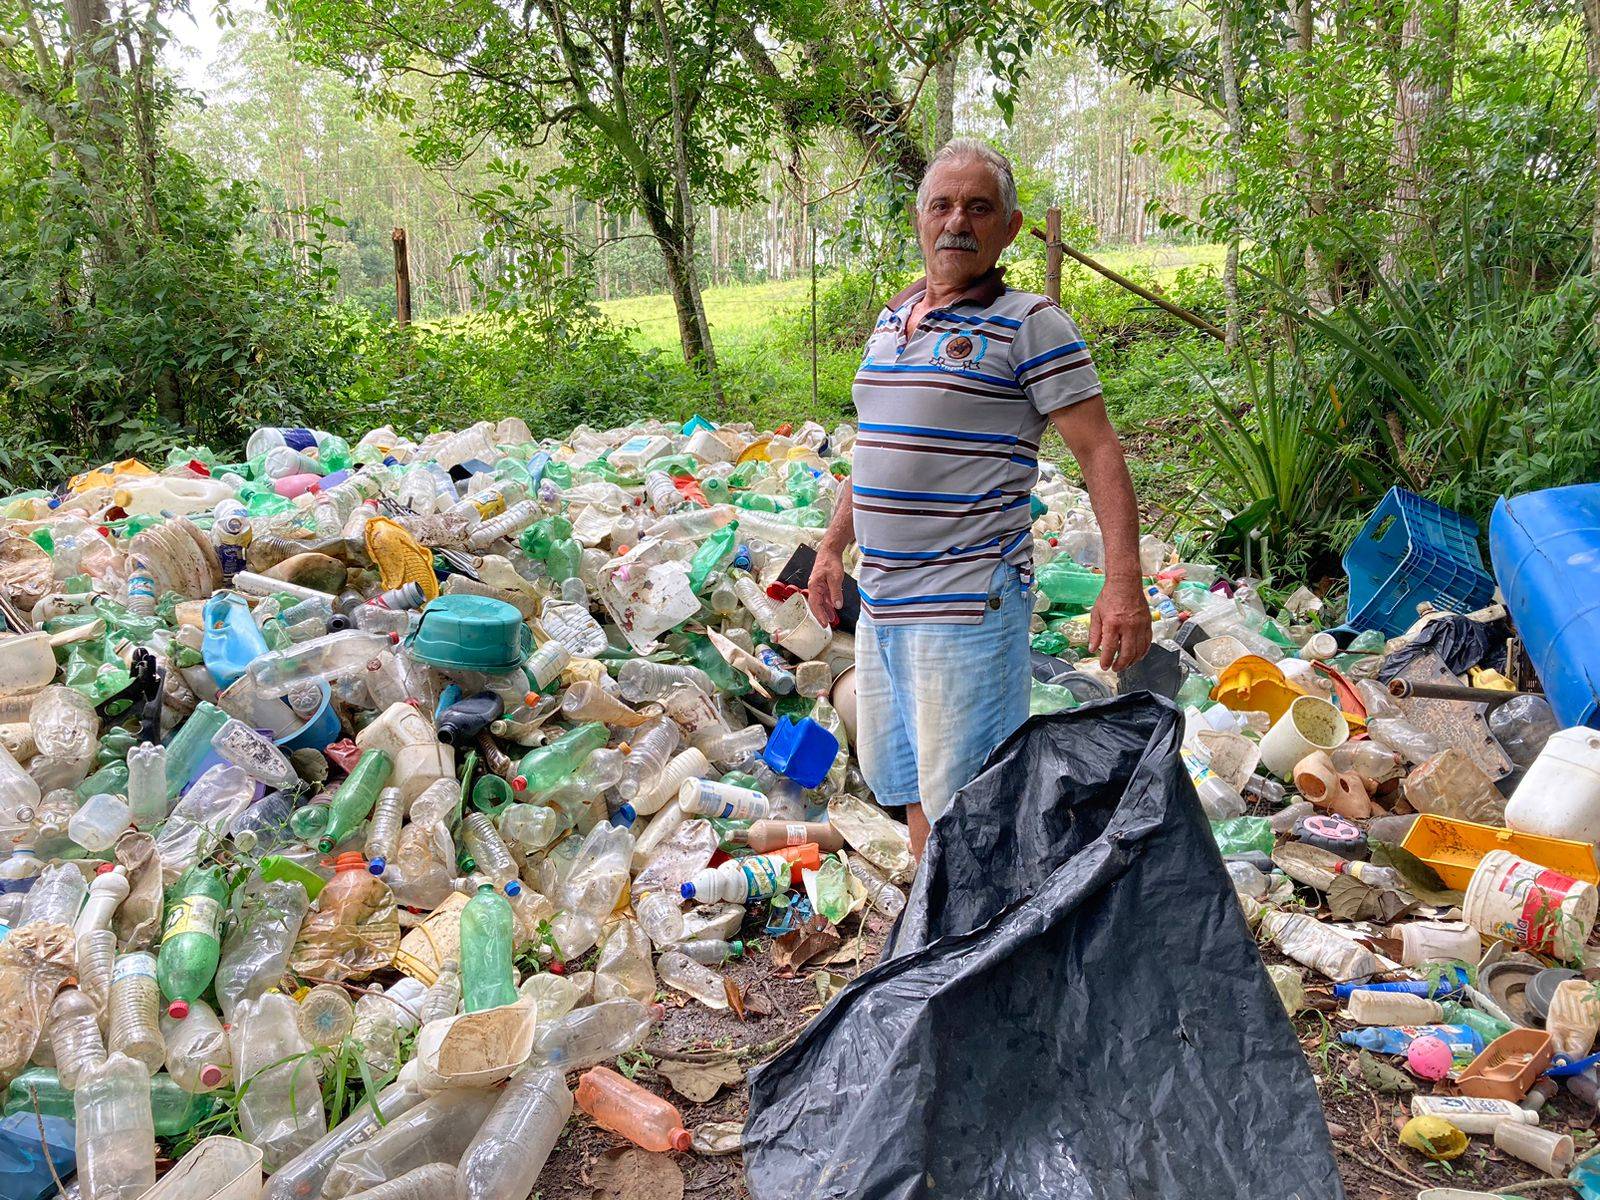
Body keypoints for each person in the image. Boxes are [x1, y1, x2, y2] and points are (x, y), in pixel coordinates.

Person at [807, 138, 1150, 860]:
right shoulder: (891, 320)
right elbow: (874, 442)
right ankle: (939, 926)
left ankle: (979, 943)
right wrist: (835, 544)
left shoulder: (1031, 324)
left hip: (967, 606)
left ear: (1010, 229)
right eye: (942, 205)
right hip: (886, 601)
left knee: (973, 799)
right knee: (907, 786)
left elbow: (1099, 451)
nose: (956, 221)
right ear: (919, 219)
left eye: (978, 207)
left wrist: (1123, 583)